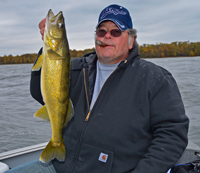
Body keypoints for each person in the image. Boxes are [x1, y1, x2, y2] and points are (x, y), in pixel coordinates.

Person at [6, 4, 189, 173]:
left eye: (116, 32)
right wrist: (46, 50)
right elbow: (39, 94)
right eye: (101, 31)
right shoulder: (75, 67)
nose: (107, 36)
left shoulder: (154, 78)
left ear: (131, 40)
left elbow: (172, 136)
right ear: (95, 37)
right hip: (59, 165)